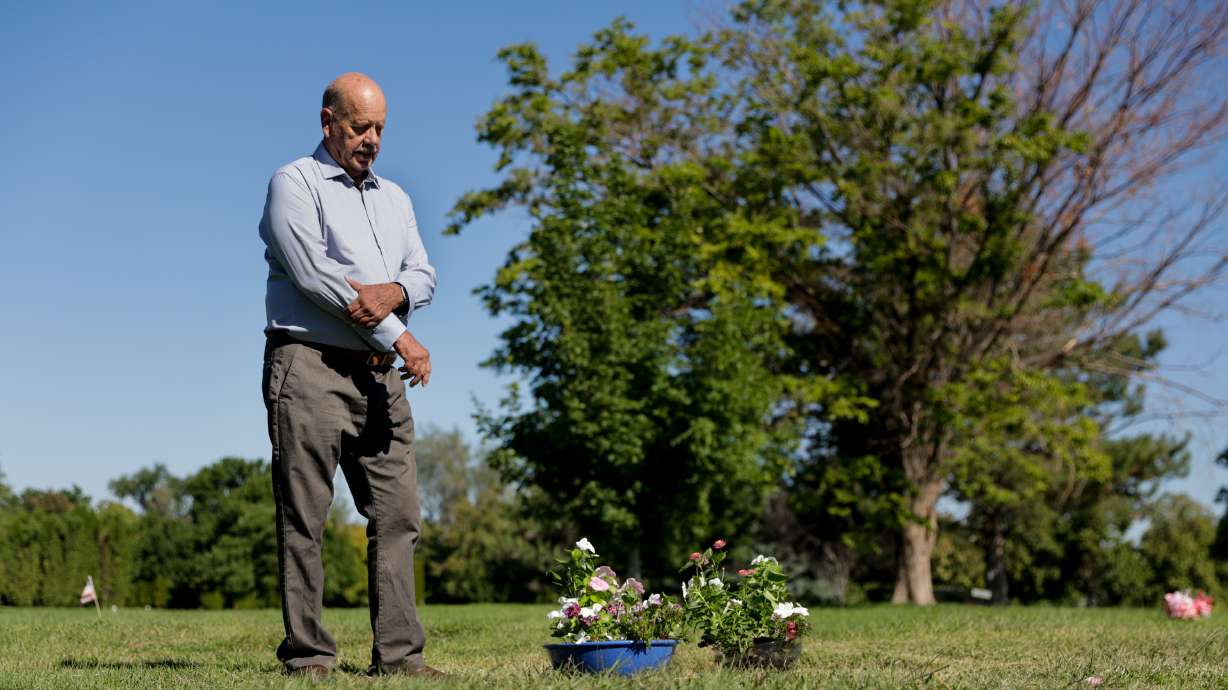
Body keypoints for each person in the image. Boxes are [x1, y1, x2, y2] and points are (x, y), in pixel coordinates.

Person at [258, 72, 441, 678]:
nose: (372, 139)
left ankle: (400, 659)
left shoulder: (396, 198)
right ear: (327, 120)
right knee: (304, 517)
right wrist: (402, 333)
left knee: (398, 516)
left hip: (379, 377)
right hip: (309, 366)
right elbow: (319, 279)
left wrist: (395, 292)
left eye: (380, 128)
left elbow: (423, 275)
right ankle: (310, 658)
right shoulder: (295, 184)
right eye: (360, 126)